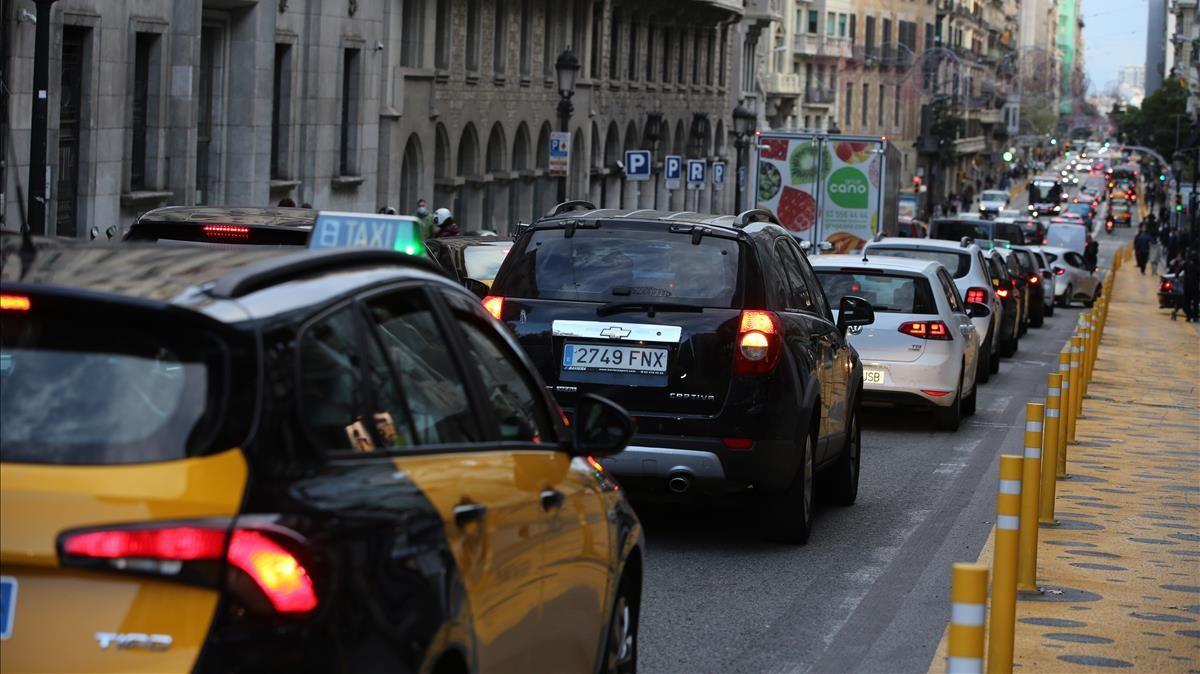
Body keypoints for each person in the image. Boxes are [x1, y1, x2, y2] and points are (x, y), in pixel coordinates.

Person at [1183, 249, 1200, 322]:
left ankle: (1188, 316)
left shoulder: (1187, 263)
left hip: (1187, 286)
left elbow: (1179, 270)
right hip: (1195, 286)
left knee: (1187, 301)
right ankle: (1195, 316)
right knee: (1195, 302)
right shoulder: (1198, 264)